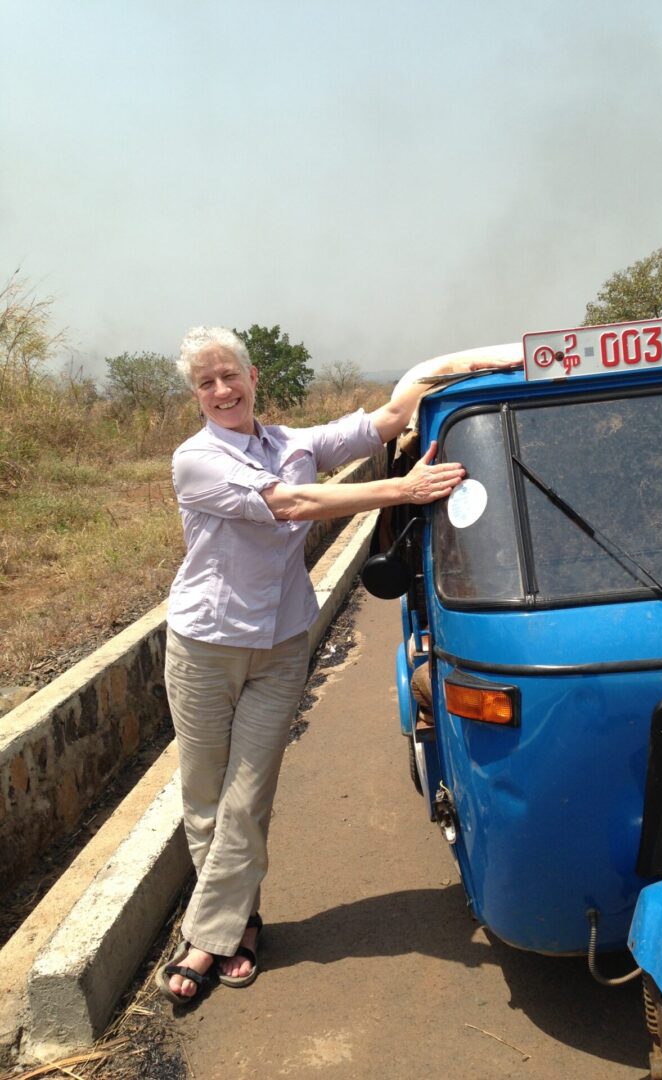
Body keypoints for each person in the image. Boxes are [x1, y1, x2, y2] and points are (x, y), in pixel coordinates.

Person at [156, 326, 517, 1004]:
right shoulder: (195, 460)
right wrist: (402, 492)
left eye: (229, 375)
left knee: (248, 790)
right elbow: (290, 504)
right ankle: (240, 922)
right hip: (205, 643)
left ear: (253, 375)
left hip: (282, 641)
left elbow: (392, 413)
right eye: (206, 383)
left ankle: (206, 936)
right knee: (204, 793)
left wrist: (482, 357)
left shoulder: (292, 443)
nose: (221, 390)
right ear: (195, 395)